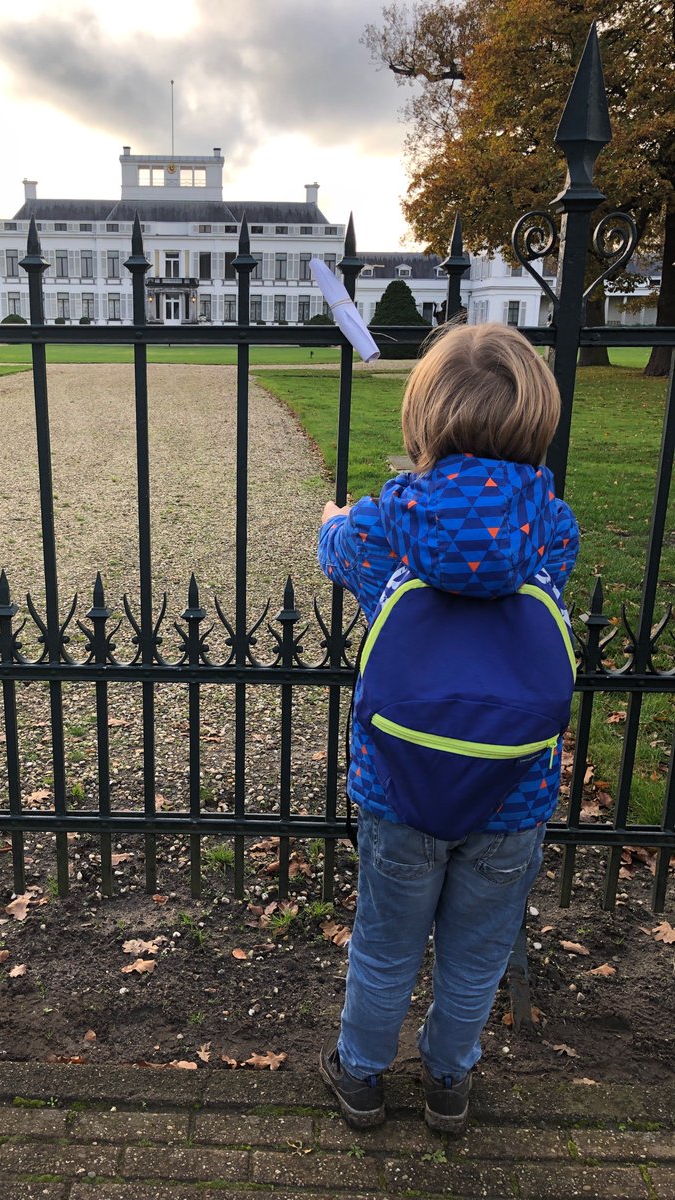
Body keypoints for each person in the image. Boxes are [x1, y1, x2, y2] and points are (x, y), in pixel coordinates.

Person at [316, 322, 579, 1134]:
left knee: (385, 944)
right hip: (513, 789)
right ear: (537, 421)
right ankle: (448, 1082)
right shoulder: (553, 527)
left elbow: (335, 550)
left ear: (423, 418)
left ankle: (362, 1077)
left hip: (399, 785)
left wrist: (333, 517)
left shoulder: (380, 528)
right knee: (476, 954)